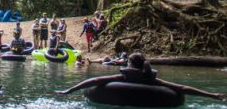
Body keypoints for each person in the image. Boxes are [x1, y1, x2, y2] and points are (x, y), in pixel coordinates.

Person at [55, 52, 226, 101]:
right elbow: (182, 88)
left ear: (129, 65)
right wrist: (212, 95)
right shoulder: (151, 79)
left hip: (119, 96)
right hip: (157, 99)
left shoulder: (123, 79)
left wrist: (68, 91)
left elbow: (94, 81)